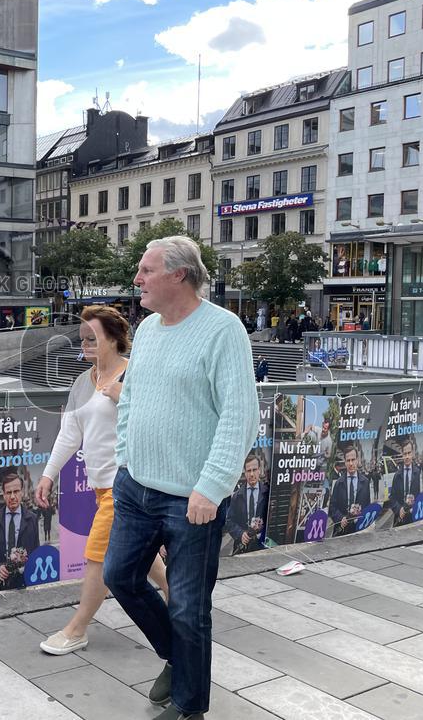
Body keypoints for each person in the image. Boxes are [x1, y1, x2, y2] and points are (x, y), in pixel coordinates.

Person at [101, 236, 259, 720]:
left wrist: (211, 486)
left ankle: (190, 706)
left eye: (145, 270)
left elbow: (240, 415)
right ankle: (178, 657)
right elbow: (129, 400)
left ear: (179, 276)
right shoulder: (147, 329)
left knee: (190, 606)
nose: (137, 279)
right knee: (120, 577)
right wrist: (125, 459)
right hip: (136, 486)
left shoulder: (223, 330)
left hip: (192, 499)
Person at [36, 305, 168, 656]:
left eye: (92, 338)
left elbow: (157, 419)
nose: (85, 344)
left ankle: (77, 628)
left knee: (97, 555)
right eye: (82, 338)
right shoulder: (83, 381)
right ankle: (177, 597)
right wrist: (49, 475)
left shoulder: (134, 374)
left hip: (126, 484)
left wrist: (122, 396)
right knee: (144, 553)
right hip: (100, 487)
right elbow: (70, 433)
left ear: (112, 339)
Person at [0, 473, 39, 591]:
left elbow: (35, 552)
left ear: (22, 492)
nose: (13, 496)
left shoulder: (32, 520)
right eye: (9, 493)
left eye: (16, 491)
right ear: (3, 494)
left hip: (25, 585)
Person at [224, 454, 268, 554]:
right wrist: (240, 534)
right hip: (242, 546)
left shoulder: (267, 493)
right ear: (245, 472)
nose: (252, 474)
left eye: (254, 469)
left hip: (262, 546)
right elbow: (229, 521)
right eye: (249, 471)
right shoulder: (237, 496)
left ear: (259, 470)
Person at [329, 445, 372, 537]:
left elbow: (367, 505)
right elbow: (332, 507)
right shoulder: (338, 483)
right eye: (348, 460)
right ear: (345, 462)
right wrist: (340, 518)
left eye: (353, 460)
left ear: (357, 460)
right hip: (341, 531)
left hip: (359, 530)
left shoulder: (365, 482)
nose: (351, 463)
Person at [391, 440, 422, 527]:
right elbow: (392, 498)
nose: (407, 456)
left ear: (412, 453)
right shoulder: (397, 475)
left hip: (415, 519)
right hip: (401, 519)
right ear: (402, 455)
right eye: (405, 454)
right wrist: (399, 509)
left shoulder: (418, 473)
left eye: (409, 453)